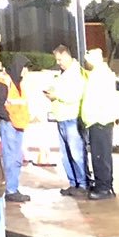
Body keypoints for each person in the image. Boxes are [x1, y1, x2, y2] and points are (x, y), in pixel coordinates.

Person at [48, 42, 88, 195]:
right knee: (66, 155)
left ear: (66, 56)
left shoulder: (76, 74)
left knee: (76, 154)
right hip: (61, 118)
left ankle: (82, 184)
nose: (58, 63)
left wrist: (56, 95)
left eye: (59, 59)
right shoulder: (63, 74)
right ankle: (73, 183)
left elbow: (75, 95)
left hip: (72, 118)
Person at [80, 45, 119, 199]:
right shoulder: (101, 73)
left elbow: (96, 99)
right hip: (100, 120)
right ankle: (104, 185)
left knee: (100, 156)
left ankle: (104, 188)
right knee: (102, 156)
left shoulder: (99, 75)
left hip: (99, 120)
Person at [0, 55, 30, 204]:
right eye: (25, 68)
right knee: (11, 158)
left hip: (18, 125)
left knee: (16, 158)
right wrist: (8, 119)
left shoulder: (17, 83)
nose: (26, 71)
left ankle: (13, 188)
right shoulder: (4, 82)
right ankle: (11, 190)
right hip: (9, 125)